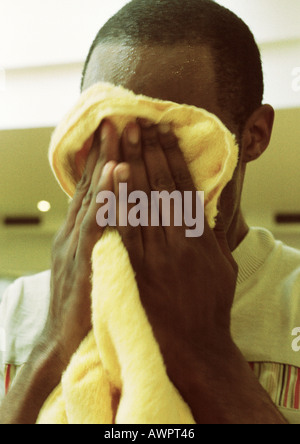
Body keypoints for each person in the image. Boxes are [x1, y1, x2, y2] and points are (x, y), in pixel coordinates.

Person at [0, 0, 299, 424]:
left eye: (167, 142)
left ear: (253, 136)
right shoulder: (20, 307)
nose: (126, 171)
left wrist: (206, 351)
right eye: (103, 133)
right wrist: (54, 342)